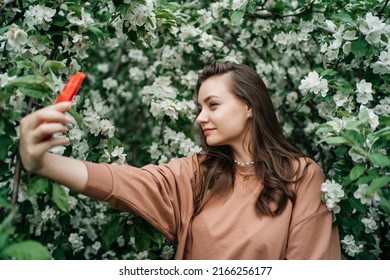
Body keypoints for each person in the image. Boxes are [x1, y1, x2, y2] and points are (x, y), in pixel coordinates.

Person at [19, 61, 341, 260]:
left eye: (213, 105)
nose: (201, 117)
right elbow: (125, 183)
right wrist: (43, 164)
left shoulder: (301, 176)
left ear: (249, 107)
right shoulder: (197, 174)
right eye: (200, 107)